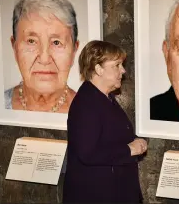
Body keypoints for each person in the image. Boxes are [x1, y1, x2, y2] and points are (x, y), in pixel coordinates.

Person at [63, 40, 148, 203]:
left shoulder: (104, 98)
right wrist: (129, 149)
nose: (122, 71)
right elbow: (87, 153)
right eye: (117, 65)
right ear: (98, 69)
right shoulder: (86, 104)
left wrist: (134, 140)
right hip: (96, 194)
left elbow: (111, 136)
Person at [4, 0, 79, 113]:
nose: (44, 59)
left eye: (56, 42)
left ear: (74, 51)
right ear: (15, 47)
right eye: (31, 41)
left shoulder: (89, 111)